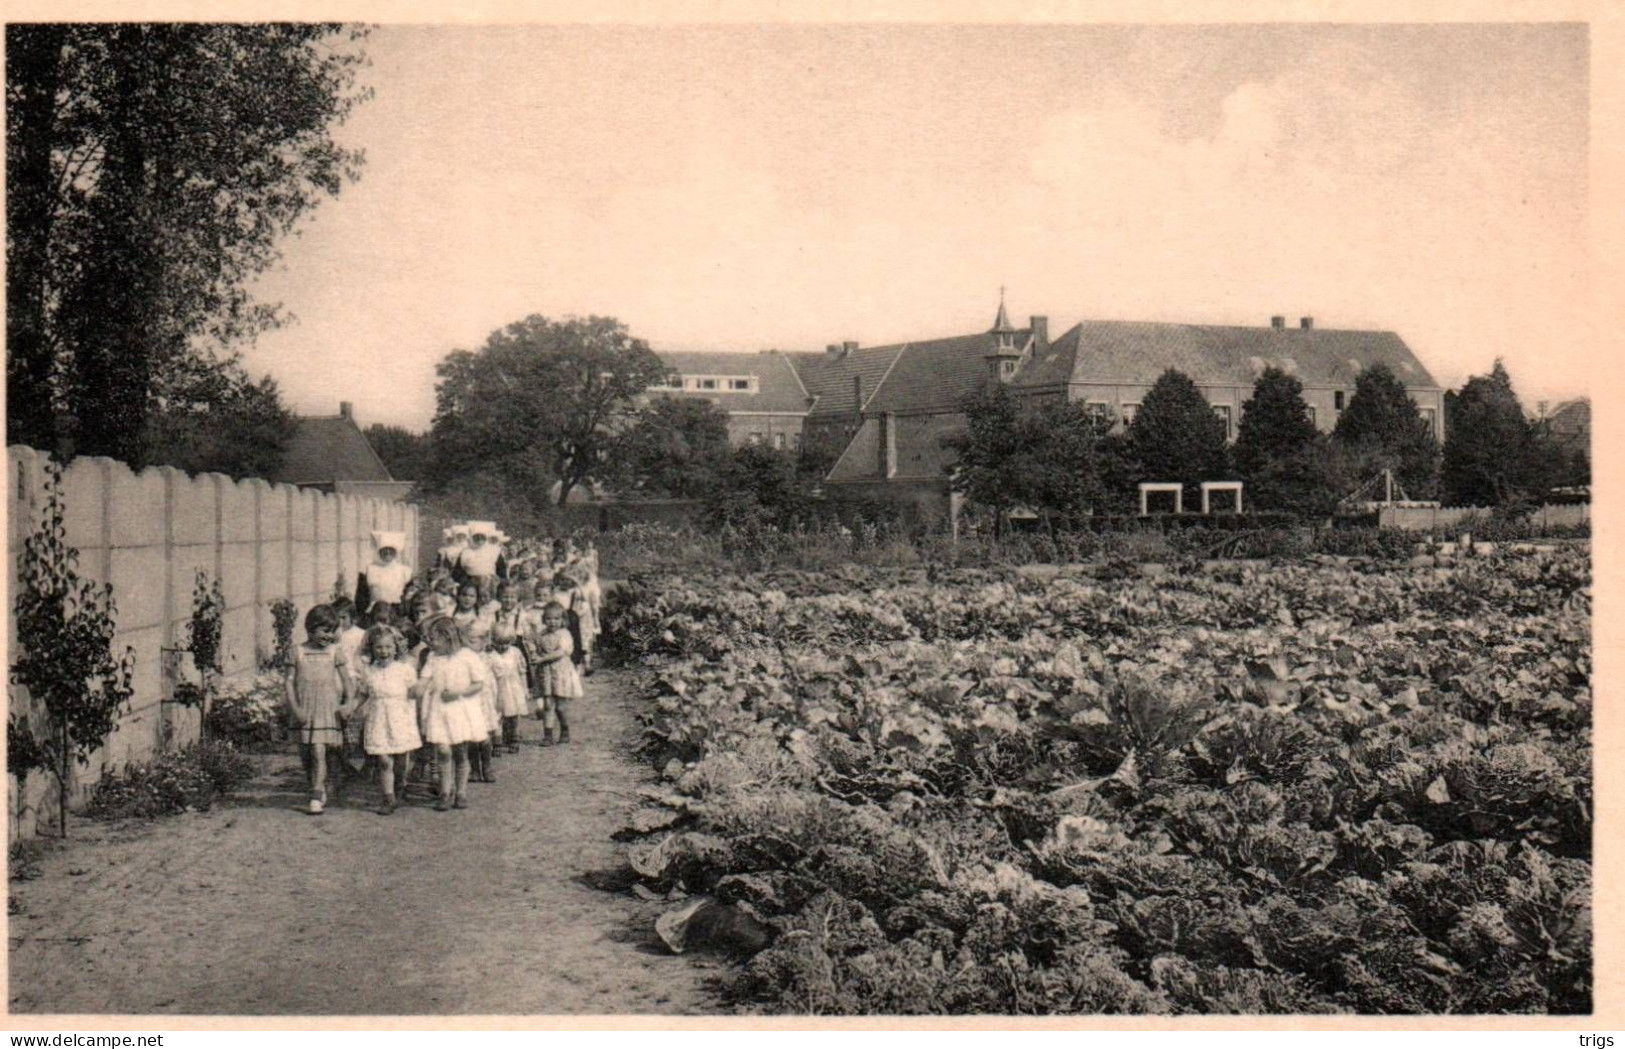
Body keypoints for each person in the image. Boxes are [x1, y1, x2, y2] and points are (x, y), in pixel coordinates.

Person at [415, 615, 489, 811]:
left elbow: (478, 684)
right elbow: (424, 679)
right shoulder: (433, 658)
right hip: (439, 709)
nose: (431, 642)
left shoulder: (467, 656)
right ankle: (445, 792)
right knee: (443, 750)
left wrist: (458, 694)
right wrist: (416, 689)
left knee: (461, 752)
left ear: (448, 638)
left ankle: (461, 792)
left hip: (460, 710)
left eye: (435, 638)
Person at [285, 604, 352, 815]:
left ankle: (315, 795)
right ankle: (317, 784)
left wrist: (348, 704)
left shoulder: (335, 652)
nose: (328, 635)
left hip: (327, 709)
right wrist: (295, 709)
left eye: (332, 631)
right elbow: (288, 683)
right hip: (304, 709)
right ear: (310, 628)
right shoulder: (297, 652)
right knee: (306, 753)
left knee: (319, 750)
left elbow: (348, 682)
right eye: (324, 630)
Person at [352, 625, 422, 815]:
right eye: (379, 648)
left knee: (400, 760)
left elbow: (415, 693)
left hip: (400, 718)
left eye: (388, 647)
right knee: (383, 759)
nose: (384, 652)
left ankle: (400, 785)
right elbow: (362, 694)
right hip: (379, 718)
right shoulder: (369, 672)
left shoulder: (404, 670)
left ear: (396, 648)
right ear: (372, 649)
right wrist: (350, 708)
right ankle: (388, 797)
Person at [532, 601, 583, 744]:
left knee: (560, 707)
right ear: (544, 620)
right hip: (546, 673)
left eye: (556, 618)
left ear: (562, 620)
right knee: (548, 704)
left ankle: (564, 729)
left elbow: (561, 652)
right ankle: (547, 735)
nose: (552, 622)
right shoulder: (541, 634)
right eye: (548, 618)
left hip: (560, 673)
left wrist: (542, 658)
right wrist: (535, 654)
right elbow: (535, 646)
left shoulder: (564, 634)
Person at [488, 584, 531, 752]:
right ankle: (497, 741)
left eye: (512, 597)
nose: (508, 600)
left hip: (515, 645)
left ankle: (512, 737)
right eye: (505, 597)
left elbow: (525, 633)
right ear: (500, 598)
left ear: (517, 599)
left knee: (512, 709)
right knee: (497, 711)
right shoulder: (494, 615)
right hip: (498, 643)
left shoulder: (520, 614)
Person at [460, 618, 501, 784]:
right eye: (466, 640)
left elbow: (495, 681)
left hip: (485, 702)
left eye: (472, 641)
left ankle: (487, 766)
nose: (467, 644)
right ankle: (474, 769)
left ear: (484, 640)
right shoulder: (463, 658)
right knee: (471, 739)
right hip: (470, 702)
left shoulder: (489, 658)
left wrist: (497, 700)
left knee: (484, 739)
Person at [355, 531, 414, 625]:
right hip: (374, 612)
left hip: (397, 612)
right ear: (378, 551)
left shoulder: (405, 571)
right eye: (384, 549)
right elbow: (361, 596)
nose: (387, 553)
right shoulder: (369, 570)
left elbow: (409, 595)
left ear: (396, 552)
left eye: (391, 550)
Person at [454, 522, 507, 603]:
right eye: (476, 536)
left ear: (486, 537)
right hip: (470, 584)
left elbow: (501, 571)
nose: (479, 539)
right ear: (472, 537)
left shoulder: (495, 551)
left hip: (490, 584)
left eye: (482, 536)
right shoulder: (465, 552)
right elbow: (457, 572)